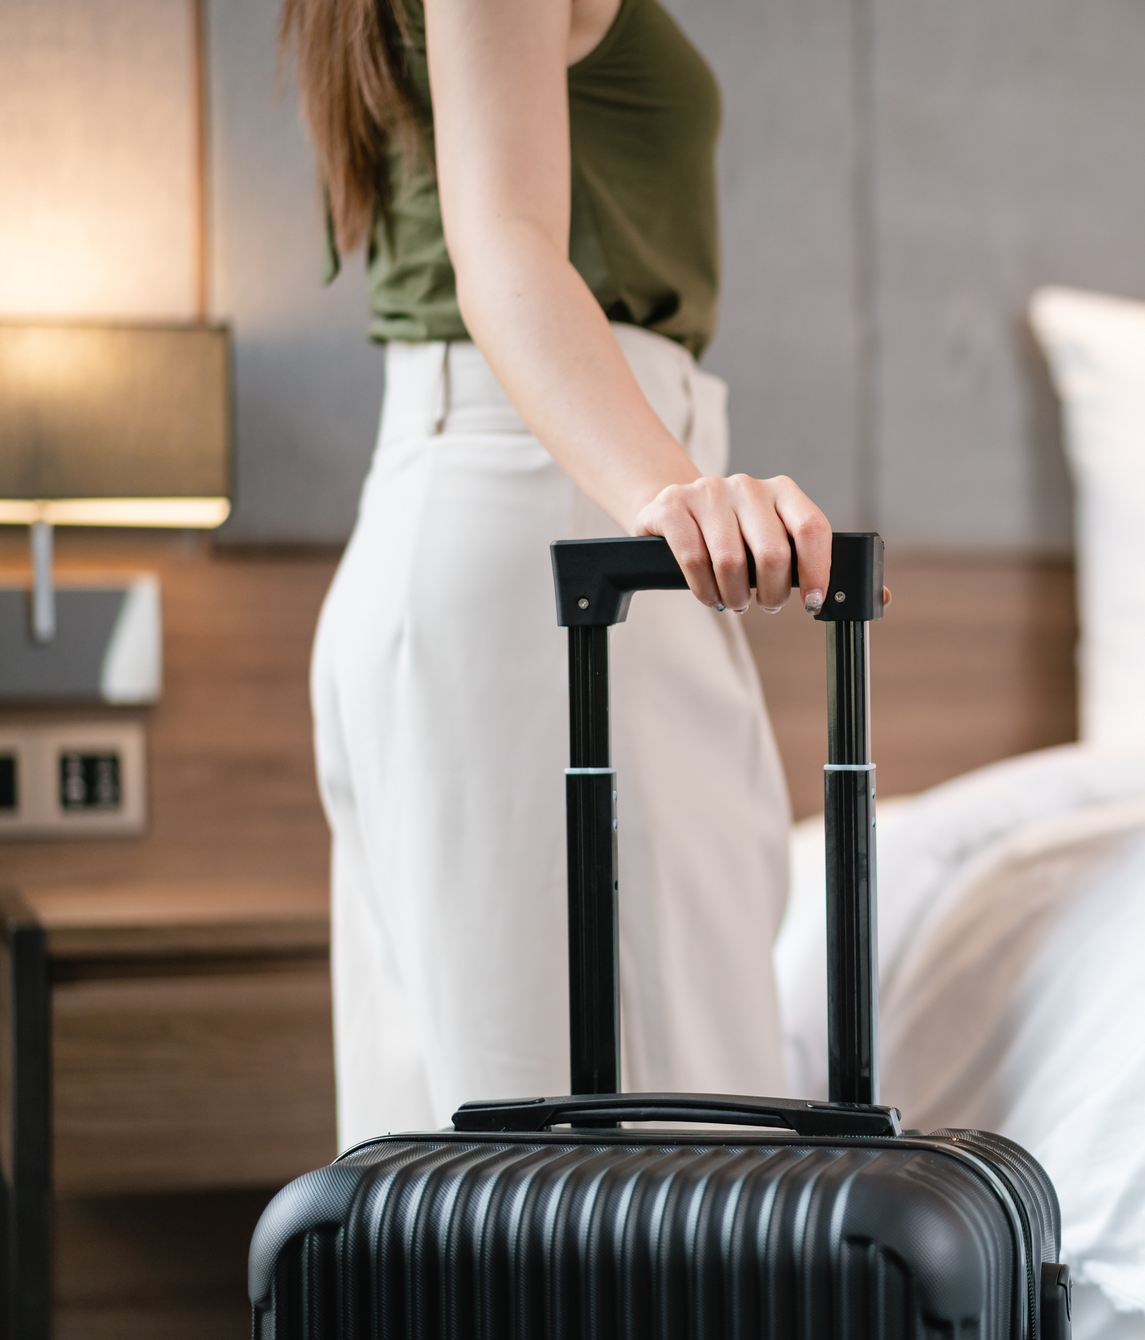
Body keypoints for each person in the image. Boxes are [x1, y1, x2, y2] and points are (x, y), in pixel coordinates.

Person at [285, 0, 821, 1145]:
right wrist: (669, 499)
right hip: (558, 519)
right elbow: (507, 247)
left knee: (478, 1179)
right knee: (648, 1173)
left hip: (510, 509)